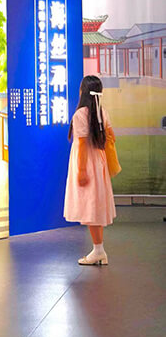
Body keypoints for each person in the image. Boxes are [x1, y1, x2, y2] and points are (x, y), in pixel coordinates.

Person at [64, 75, 116, 265]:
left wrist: (81, 171)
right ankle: (98, 250)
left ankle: (98, 250)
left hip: (86, 164)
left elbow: (82, 145)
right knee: (95, 206)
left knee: (89, 207)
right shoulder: (102, 113)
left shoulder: (80, 115)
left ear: (83, 92)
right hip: (99, 163)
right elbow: (112, 137)